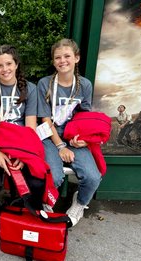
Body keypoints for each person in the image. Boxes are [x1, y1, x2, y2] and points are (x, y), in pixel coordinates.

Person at [37, 38, 102, 227]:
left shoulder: (85, 85)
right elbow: (45, 119)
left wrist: (82, 139)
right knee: (54, 176)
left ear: (77, 58)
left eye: (67, 56)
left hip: (73, 135)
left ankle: (80, 202)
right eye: (58, 57)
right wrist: (60, 146)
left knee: (92, 177)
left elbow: (84, 115)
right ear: (53, 61)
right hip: (50, 136)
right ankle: (47, 201)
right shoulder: (45, 84)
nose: (62, 60)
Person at [0, 45, 45, 220]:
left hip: (20, 143)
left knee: (36, 182)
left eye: (8, 63)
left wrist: (23, 155)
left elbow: (30, 128)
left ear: (16, 64)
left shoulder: (30, 88)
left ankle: (20, 210)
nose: (5, 69)